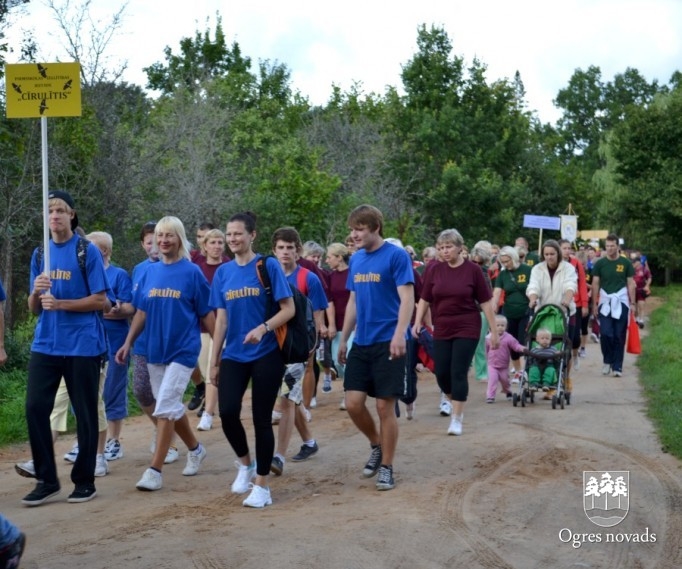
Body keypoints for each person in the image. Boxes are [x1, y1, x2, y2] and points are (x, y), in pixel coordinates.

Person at [115, 216, 215, 491]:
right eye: (160, 236)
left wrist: (219, 348)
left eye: (169, 235)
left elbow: (206, 313)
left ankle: (154, 470)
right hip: (154, 350)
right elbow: (142, 311)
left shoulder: (192, 272)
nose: (163, 240)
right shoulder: (148, 272)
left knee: (165, 406)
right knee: (168, 406)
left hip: (183, 349)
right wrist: (127, 342)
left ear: (180, 238)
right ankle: (195, 449)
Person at [24, 190, 109, 506]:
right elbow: (35, 308)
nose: (55, 215)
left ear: (72, 215)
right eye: (49, 211)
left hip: (82, 345)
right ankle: (46, 479)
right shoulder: (39, 254)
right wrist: (36, 292)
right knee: (35, 408)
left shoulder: (87, 251)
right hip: (46, 343)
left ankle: (84, 480)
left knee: (85, 414)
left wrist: (61, 303)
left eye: (60, 210)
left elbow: (100, 300)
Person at [209, 211, 295, 508]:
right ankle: (245, 464)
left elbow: (288, 309)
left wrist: (263, 328)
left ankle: (261, 485)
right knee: (228, 412)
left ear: (252, 235)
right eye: (229, 234)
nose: (233, 239)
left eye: (238, 234)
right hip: (233, 353)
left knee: (261, 419)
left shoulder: (267, 266)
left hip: (266, 353)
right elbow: (221, 320)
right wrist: (214, 360)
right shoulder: (223, 273)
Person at [338, 205, 414, 491]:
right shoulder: (356, 260)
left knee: (385, 406)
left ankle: (387, 467)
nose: (354, 234)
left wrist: (399, 334)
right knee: (354, 403)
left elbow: (407, 299)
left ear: (375, 228)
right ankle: (376, 444)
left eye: (359, 229)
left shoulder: (396, 256)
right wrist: (344, 338)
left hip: (389, 341)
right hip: (362, 341)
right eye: (353, 229)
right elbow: (354, 302)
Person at [412, 229, 498, 437]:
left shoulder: (474, 271)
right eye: (441, 248)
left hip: (467, 325)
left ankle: (457, 418)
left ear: (460, 247)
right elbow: (424, 298)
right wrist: (417, 322)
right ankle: (455, 400)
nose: (444, 251)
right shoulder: (433, 270)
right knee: (442, 372)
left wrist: (494, 331)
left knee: (458, 371)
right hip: (442, 326)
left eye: (448, 247)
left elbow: (485, 302)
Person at [270, 227, 328, 477]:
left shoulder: (309, 278)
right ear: (274, 251)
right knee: (290, 399)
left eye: (290, 248)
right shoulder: (269, 277)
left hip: (297, 349)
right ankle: (309, 442)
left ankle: (278, 456)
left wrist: (312, 345)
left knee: (286, 399)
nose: (285, 252)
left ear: (298, 250)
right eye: (281, 248)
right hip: (272, 348)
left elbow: (317, 315)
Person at [129, 221, 180, 464]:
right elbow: (136, 306)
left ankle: (168, 442)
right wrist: (113, 308)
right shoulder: (140, 270)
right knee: (141, 390)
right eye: (150, 241)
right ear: (144, 244)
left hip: (169, 344)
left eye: (158, 239)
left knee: (166, 397)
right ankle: (161, 429)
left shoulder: (181, 268)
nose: (155, 245)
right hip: (143, 343)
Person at [86, 231, 135, 462]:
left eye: (91, 247)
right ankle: (89, 441)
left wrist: (114, 309)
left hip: (116, 342)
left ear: (104, 251)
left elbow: (129, 308)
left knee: (113, 391)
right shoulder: (85, 274)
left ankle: (114, 441)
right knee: (92, 394)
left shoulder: (119, 275)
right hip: (91, 342)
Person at [526, 239, 577, 396]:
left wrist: (566, 301)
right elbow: (533, 286)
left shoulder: (567, 268)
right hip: (543, 313)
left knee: (563, 348)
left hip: (564, 311)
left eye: (552, 254)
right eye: (546, 254)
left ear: (558, 254)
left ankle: (564, 377)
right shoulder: (537, 269)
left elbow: (571, 285)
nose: (549, 257)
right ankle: (539, 379)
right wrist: (533, 299)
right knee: (540, 346)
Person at [193, 228, 230, 431]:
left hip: (225, 326)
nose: (217, 246)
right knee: (206, 368)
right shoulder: (197, 268)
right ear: (204, 246)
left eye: (220, 243)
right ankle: (214, 405)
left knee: (214, 366)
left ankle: (208, 413)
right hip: (201, 327)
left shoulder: (229, 267)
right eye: (213, 243)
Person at [591, 234, 636, 377]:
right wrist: (594, 303)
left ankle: (617, 366)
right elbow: (595, 283)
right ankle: (607, 360)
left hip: (621, 301)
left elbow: (630, 283)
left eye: (612, 246)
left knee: (619, 335)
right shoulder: (600, 263)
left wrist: (633, 303)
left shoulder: (626, 263)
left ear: (617, 246)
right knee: (605, 333)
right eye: (607, 246)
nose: (610, 248)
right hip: (605, 302)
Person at [491, 245, 532, 382]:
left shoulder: (527, 270)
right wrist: (493, 306)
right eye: (503, 261)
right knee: (511, 343)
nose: (505, 264)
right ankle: (519, 371)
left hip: (525, 311)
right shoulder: (503, 274)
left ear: (514, 258)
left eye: (507, 261)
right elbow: (497, 292)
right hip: (509, 312)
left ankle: (524, 371)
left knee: (522, 340)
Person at [325, 242, 353, 410]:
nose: (327, 260)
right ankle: (351, 387)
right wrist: (331, 325)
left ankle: (348, 394)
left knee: (349, 358)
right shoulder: (330, 277)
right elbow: (329, 302)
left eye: (329, 257)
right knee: (337, 360)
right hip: (338, 324)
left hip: (354, 324)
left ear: (339, 257)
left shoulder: (353, 273)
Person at [485, 315, 526, 403]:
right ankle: (490, 396)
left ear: (506, 327)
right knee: (492, 380)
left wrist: (522, 348)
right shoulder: (488, 338)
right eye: (498, 325)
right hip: (492, 365)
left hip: (503, 366)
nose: (500, 327)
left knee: (505, 381)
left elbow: (515, 345)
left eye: (502, 325)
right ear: (492, 326)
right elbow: (485, 349)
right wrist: (486, 359)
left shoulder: (508, 337)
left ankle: (508, 391)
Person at [630, 254, 652, 328]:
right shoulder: (631, 270)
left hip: (641, 290)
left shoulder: (644, 270)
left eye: (634, 262)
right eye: (632, 263)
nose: (633, 264)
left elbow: (649, 277)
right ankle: (636, 319)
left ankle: (641, 320)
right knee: (634, 306)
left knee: (641, 305)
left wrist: (647, 285)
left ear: (638, 262)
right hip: (633, 291)